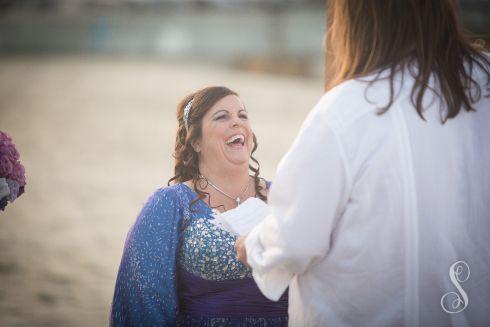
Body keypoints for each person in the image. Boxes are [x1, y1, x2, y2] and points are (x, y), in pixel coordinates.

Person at [236, 1, 490, 326]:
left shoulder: (347, 111)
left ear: (355, 15)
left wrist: (253, 242)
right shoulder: (483, 82)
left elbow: (294, 240)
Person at [110, 86, 288, 326]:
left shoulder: (285, 197)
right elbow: (143, 302)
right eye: (222, 116)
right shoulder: (170, 204)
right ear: (195, 141)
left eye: (242, 115)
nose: (237, 122)